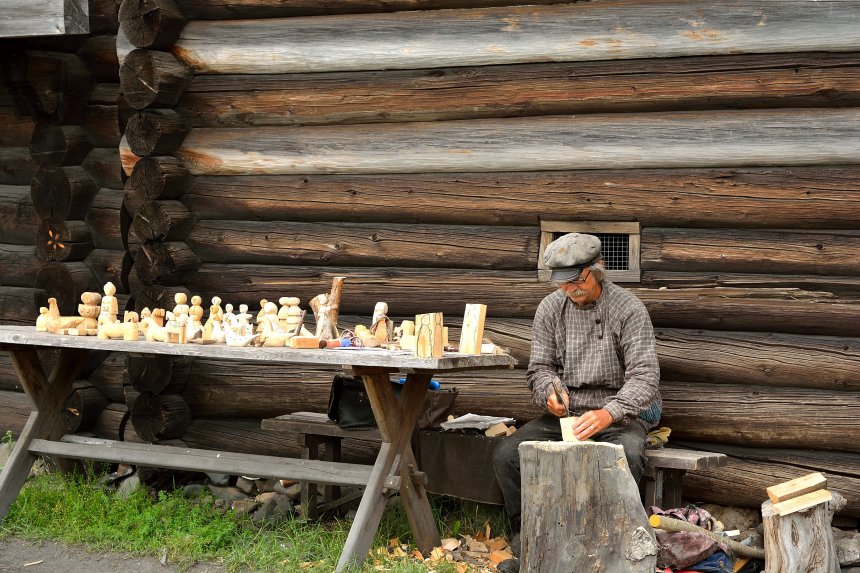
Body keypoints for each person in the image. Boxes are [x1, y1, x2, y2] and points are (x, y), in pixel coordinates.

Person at [491, 233, 661, 572]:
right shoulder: (550, 308)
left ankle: (611, 549)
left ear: (597, 269)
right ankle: (530, 544)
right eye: (563, 284)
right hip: (569, 414)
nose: (571, 290)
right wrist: (549, 393)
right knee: (508, 456)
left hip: (622, 414)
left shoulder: (628, 308)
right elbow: (539, 368)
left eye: (577, 281)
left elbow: (645, 376)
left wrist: (609, 413)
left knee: (624, 457)